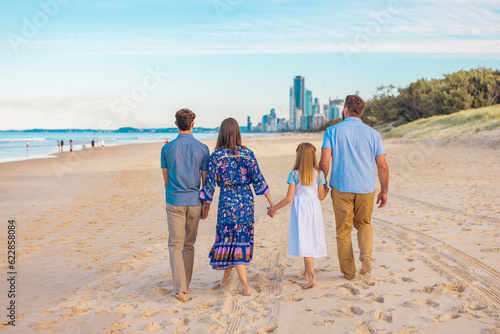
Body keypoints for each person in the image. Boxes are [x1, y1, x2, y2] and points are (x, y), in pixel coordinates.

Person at [200, 118, 274, 296]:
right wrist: (271, 203)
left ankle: (246, 287)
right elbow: (259, 179)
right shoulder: (247, 154)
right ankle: (224, 281)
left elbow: (209, 184)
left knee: (231, 240)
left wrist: (205, 205)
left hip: (227, 202)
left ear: (222, 133)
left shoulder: (217, 156)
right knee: (238, 240)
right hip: (246, 201)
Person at [319, 95, 389, 280]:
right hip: (366, 187)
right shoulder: (373, 134)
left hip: (341, 187)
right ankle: (366, 256)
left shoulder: (332, 131)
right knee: (364, 224)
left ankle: (349, 273)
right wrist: (384, 190)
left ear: (346, 110)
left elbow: (324, 162)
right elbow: (382, 166)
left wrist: (323, 183)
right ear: (362, 112)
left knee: (344, 230)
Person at [161, 108, 210, 303]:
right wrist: (206, 204)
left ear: (176, 124)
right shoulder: (202, 148)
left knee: (175, 244)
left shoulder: (167, 148)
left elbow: (166, 181)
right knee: (188, 245)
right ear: (192, 124)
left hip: (174, 200)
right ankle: (185, 286)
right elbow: (205, 181)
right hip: (194, 201)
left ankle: (180, 289)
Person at [267, 143, 327, 289]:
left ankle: (312, 277)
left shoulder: (294, 174)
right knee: (310, 237)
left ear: (299, 156)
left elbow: (288, 198)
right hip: (314, 209)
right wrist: (327, 190)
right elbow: (321, 197)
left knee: (305, 240)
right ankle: (306, 274)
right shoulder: (319, 174)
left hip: (301, 209)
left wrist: (273, 208)